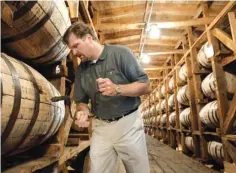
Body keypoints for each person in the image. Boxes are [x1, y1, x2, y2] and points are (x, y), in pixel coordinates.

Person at [63, 21, 150, 173]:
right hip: (101, 127)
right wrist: (82, 111)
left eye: (76, 46)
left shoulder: (121, 53)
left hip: (128, 125)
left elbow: (145, 86)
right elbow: (81, 101)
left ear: (89, 38)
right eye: (71, 49)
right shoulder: (82, 70)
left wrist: (117, 89)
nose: (74, 53)